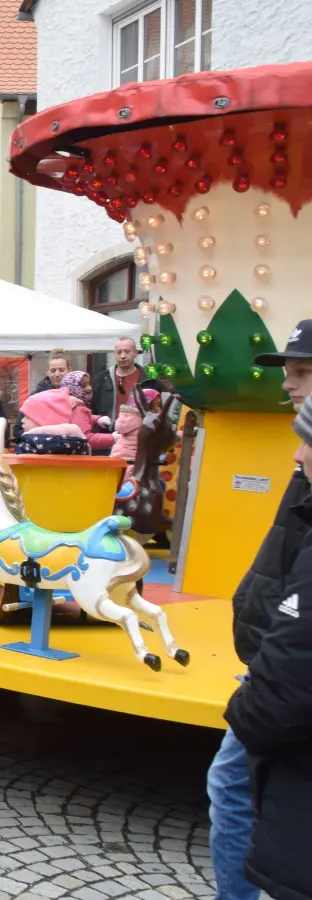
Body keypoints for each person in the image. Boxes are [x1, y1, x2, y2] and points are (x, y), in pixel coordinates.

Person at [209, 318, 312, 900]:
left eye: (302, 372)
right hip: (276, 654)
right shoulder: (305, 456)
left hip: (286, 667)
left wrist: (271, 673)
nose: (288, 384)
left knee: (230, 787)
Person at [92, 336, 143, 420]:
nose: (122, 356)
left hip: (139, 427)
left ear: (135, 353)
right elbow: (94, 410)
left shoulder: (147, 380)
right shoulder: (100, 380)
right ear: (114, 354)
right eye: (119, 352)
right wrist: (99, 420)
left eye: (127, 351)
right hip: (108, 427)